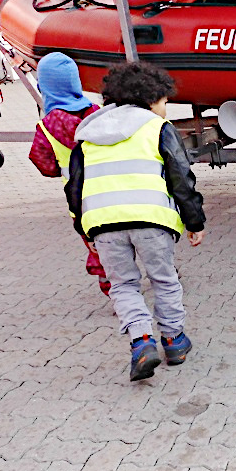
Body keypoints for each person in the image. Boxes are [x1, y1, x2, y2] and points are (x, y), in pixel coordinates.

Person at [65, 62, 206, 381]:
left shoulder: (88, 133)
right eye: (165, 101)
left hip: (103, 223)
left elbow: (75, 186)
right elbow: (181, 178)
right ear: (150, 98)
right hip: (151, 220)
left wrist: (83, 228)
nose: (166, 107)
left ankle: (142, 343)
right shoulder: (157, 128)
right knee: (164, 280)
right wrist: (194, 221)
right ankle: (173, 342)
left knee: (124, 285)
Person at [28, 52, 110, 296]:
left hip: (81, 199)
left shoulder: (46, 126)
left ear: (45, 87)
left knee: (97, 244)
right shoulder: (98, 112)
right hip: (113, 186)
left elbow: (43, 163)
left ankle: (114, 288)